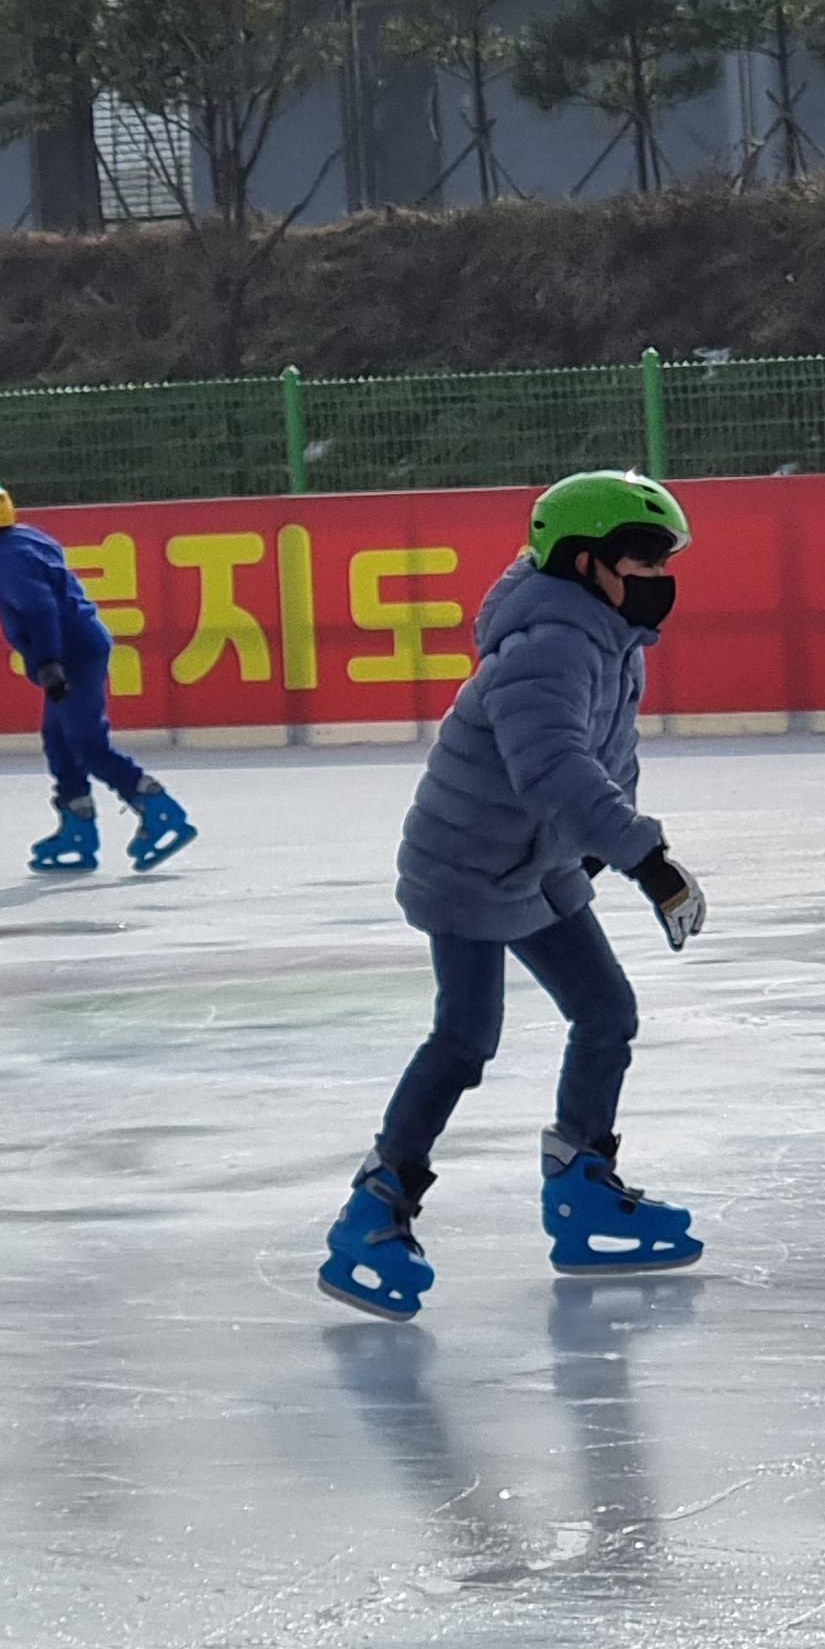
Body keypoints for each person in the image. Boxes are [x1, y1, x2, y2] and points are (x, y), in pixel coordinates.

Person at [318, 469, 707, 1319]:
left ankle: (581, 1190)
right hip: (466, 862)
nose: (658, 575)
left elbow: (609, 758)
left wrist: (599, 849)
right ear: (583, 563)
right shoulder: (547, 646)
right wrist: (648, 859)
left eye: (662, 559)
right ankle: (373, 1210)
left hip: (537, 858)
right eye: (641, 559)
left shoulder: (610, 638)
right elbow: (555, 769)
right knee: (466, 1039)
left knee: (606, 1012)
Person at [0, 481, 197, 875]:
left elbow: (41, 610)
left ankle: (158, 808)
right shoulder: (24, 540)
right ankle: (77, 824)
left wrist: (48, 662)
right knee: (58, 740)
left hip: (71, 654)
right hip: (73, 649)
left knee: (87, 744)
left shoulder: (10, 558)